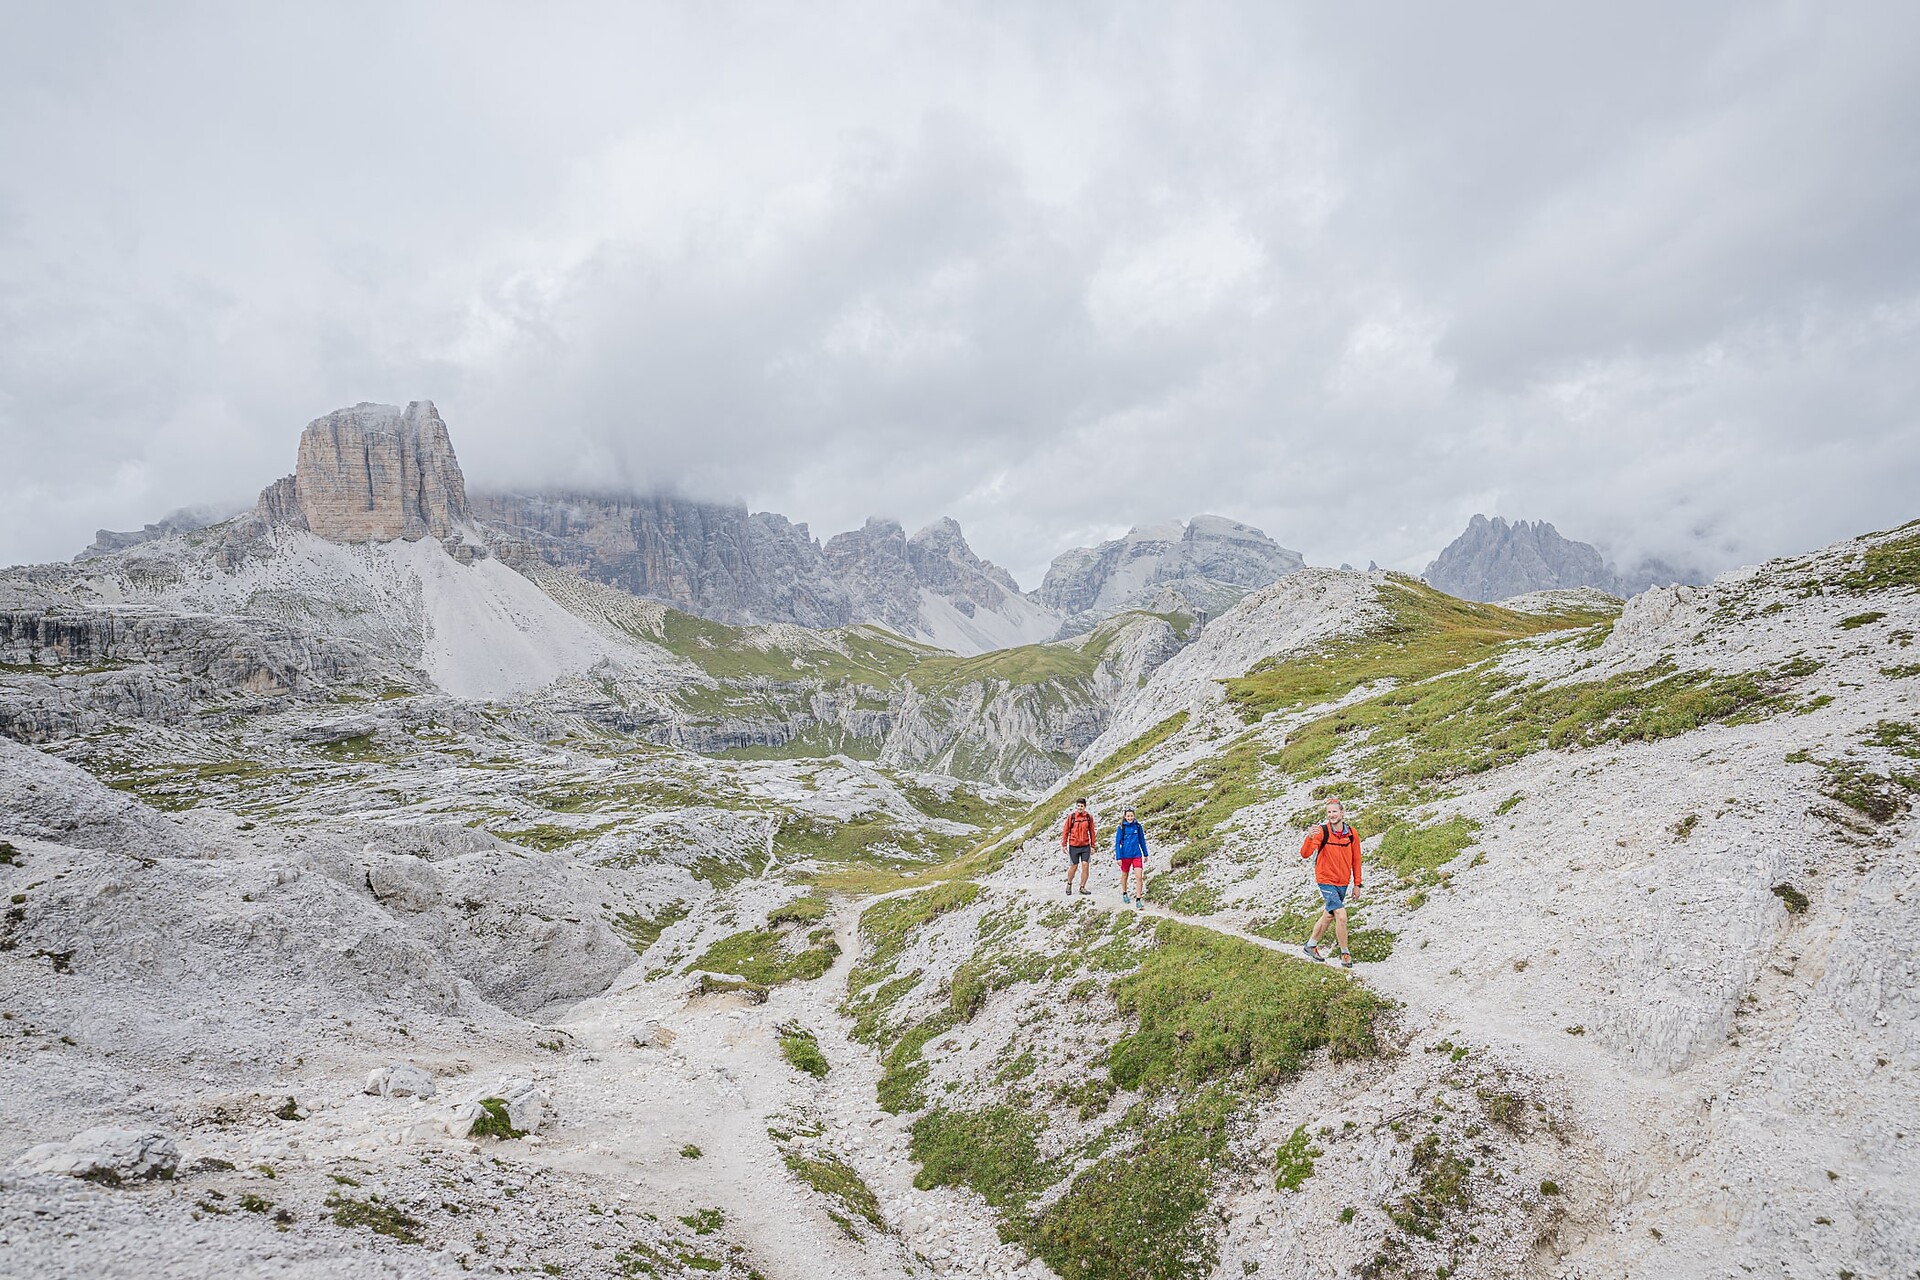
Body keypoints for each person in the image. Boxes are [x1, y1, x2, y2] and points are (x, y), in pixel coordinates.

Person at [1300, 796, 1363, 969]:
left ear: (1342, 813)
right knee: (1341, 915)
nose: (1331, 815)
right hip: (1325, 880)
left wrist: (1357, 884)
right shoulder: (1322, 831)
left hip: (1343, 882)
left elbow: (1356, 859)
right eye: (1329, 812)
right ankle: (1345, 953)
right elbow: (1305, 854)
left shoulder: (1352, 833)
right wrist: (1309, 837)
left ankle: (1310, 945)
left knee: (1329, 915)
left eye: (1334, 811)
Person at [1113, 807, 1148, 906]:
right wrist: (1118, 857)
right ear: (1125, 816)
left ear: (1134, 816)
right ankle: (1124, 893)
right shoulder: (1121, 827)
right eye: (1128, 816)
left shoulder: (1138, 826)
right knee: (1125, 875)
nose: (1130, 818)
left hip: (1136, 855)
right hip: (1125, 856)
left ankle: (1138, 899)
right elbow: (1117, 843)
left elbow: (1142, 840)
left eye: (1131, 816)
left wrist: (1145, 854)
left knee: (1139, 876)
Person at [1061, 797, 1096, 896]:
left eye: (1082, 806)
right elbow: (1066, 831)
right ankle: (1069, 883)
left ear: (1085, 807)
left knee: (1085, 865)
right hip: (1074, 846)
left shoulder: (1089, 817)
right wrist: (1064, 845)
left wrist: (1093, 845)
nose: (1080, 808)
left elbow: (1092, 832)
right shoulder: (1071, 817)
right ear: (1076, 806)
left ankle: (1082, 887)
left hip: (1085, 846)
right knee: (1074, 866)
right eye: (1078, 806)